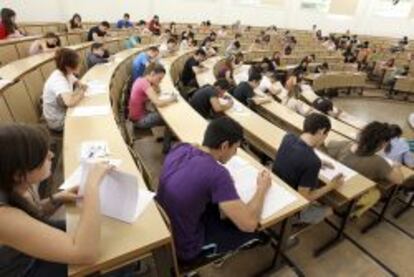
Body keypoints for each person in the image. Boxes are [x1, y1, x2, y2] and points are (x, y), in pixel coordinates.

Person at [0, 124, 113, 276]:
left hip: (24, 252)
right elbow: (86, 253)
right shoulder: (4, 217)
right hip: (25, 269)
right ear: (19, 173)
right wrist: (92, 185)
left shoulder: (12, 184)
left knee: (100, 232)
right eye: (43, 155)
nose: (52, 155)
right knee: (105, 254)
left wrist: (57, 198)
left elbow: (28, 214)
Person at [156, 117, 271, 264]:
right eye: (235, 148)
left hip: (167, 228)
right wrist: (262, 188)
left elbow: (195, 148)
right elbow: (249, 224)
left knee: (221, 209)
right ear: (224, 146)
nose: (235, 153)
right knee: (254, 233)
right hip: (185, 247)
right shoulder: (217, 174)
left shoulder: (182, 147)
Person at [273, 113, 343, 224]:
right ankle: (293, 222)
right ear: (321, 131)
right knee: (330, 210)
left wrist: (319, 162)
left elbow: (300, 152)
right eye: (326, 135)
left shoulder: (288, 137)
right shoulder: (312, 161)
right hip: (292, 205)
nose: (324, 139)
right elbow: (304, 198)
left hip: (277, 189)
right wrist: (331, 186)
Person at [326, 122, 405, 218]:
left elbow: (327, 145)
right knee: (376, 193)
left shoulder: (343, 145)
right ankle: (353, 214)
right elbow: (399, 180)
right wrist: (396, 166)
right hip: (347, 199)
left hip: (328, 188)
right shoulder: (378, 162)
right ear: (383, 144)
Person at [42, 48, 87, 131]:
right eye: (78, 64)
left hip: (64, 111)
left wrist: (80, 85)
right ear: (68, 67)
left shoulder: (67, 73)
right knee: (86, 123)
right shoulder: (58, 79)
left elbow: (78, 82)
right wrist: (81, 92)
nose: (80, 66)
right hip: (57, 121)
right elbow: (70, 102)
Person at [128, 63, 177, 129]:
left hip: (140, 116)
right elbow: (158, 103)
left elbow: (158, 91)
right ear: (152, 74)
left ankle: (169, 136)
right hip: (140, 121)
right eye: (159, 78)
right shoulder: (144, 84)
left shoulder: (140, 79)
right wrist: (173, 98)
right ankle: (168, 138)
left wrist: (156, 83)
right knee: (168, 116)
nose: (160, 81)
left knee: (167, 114)